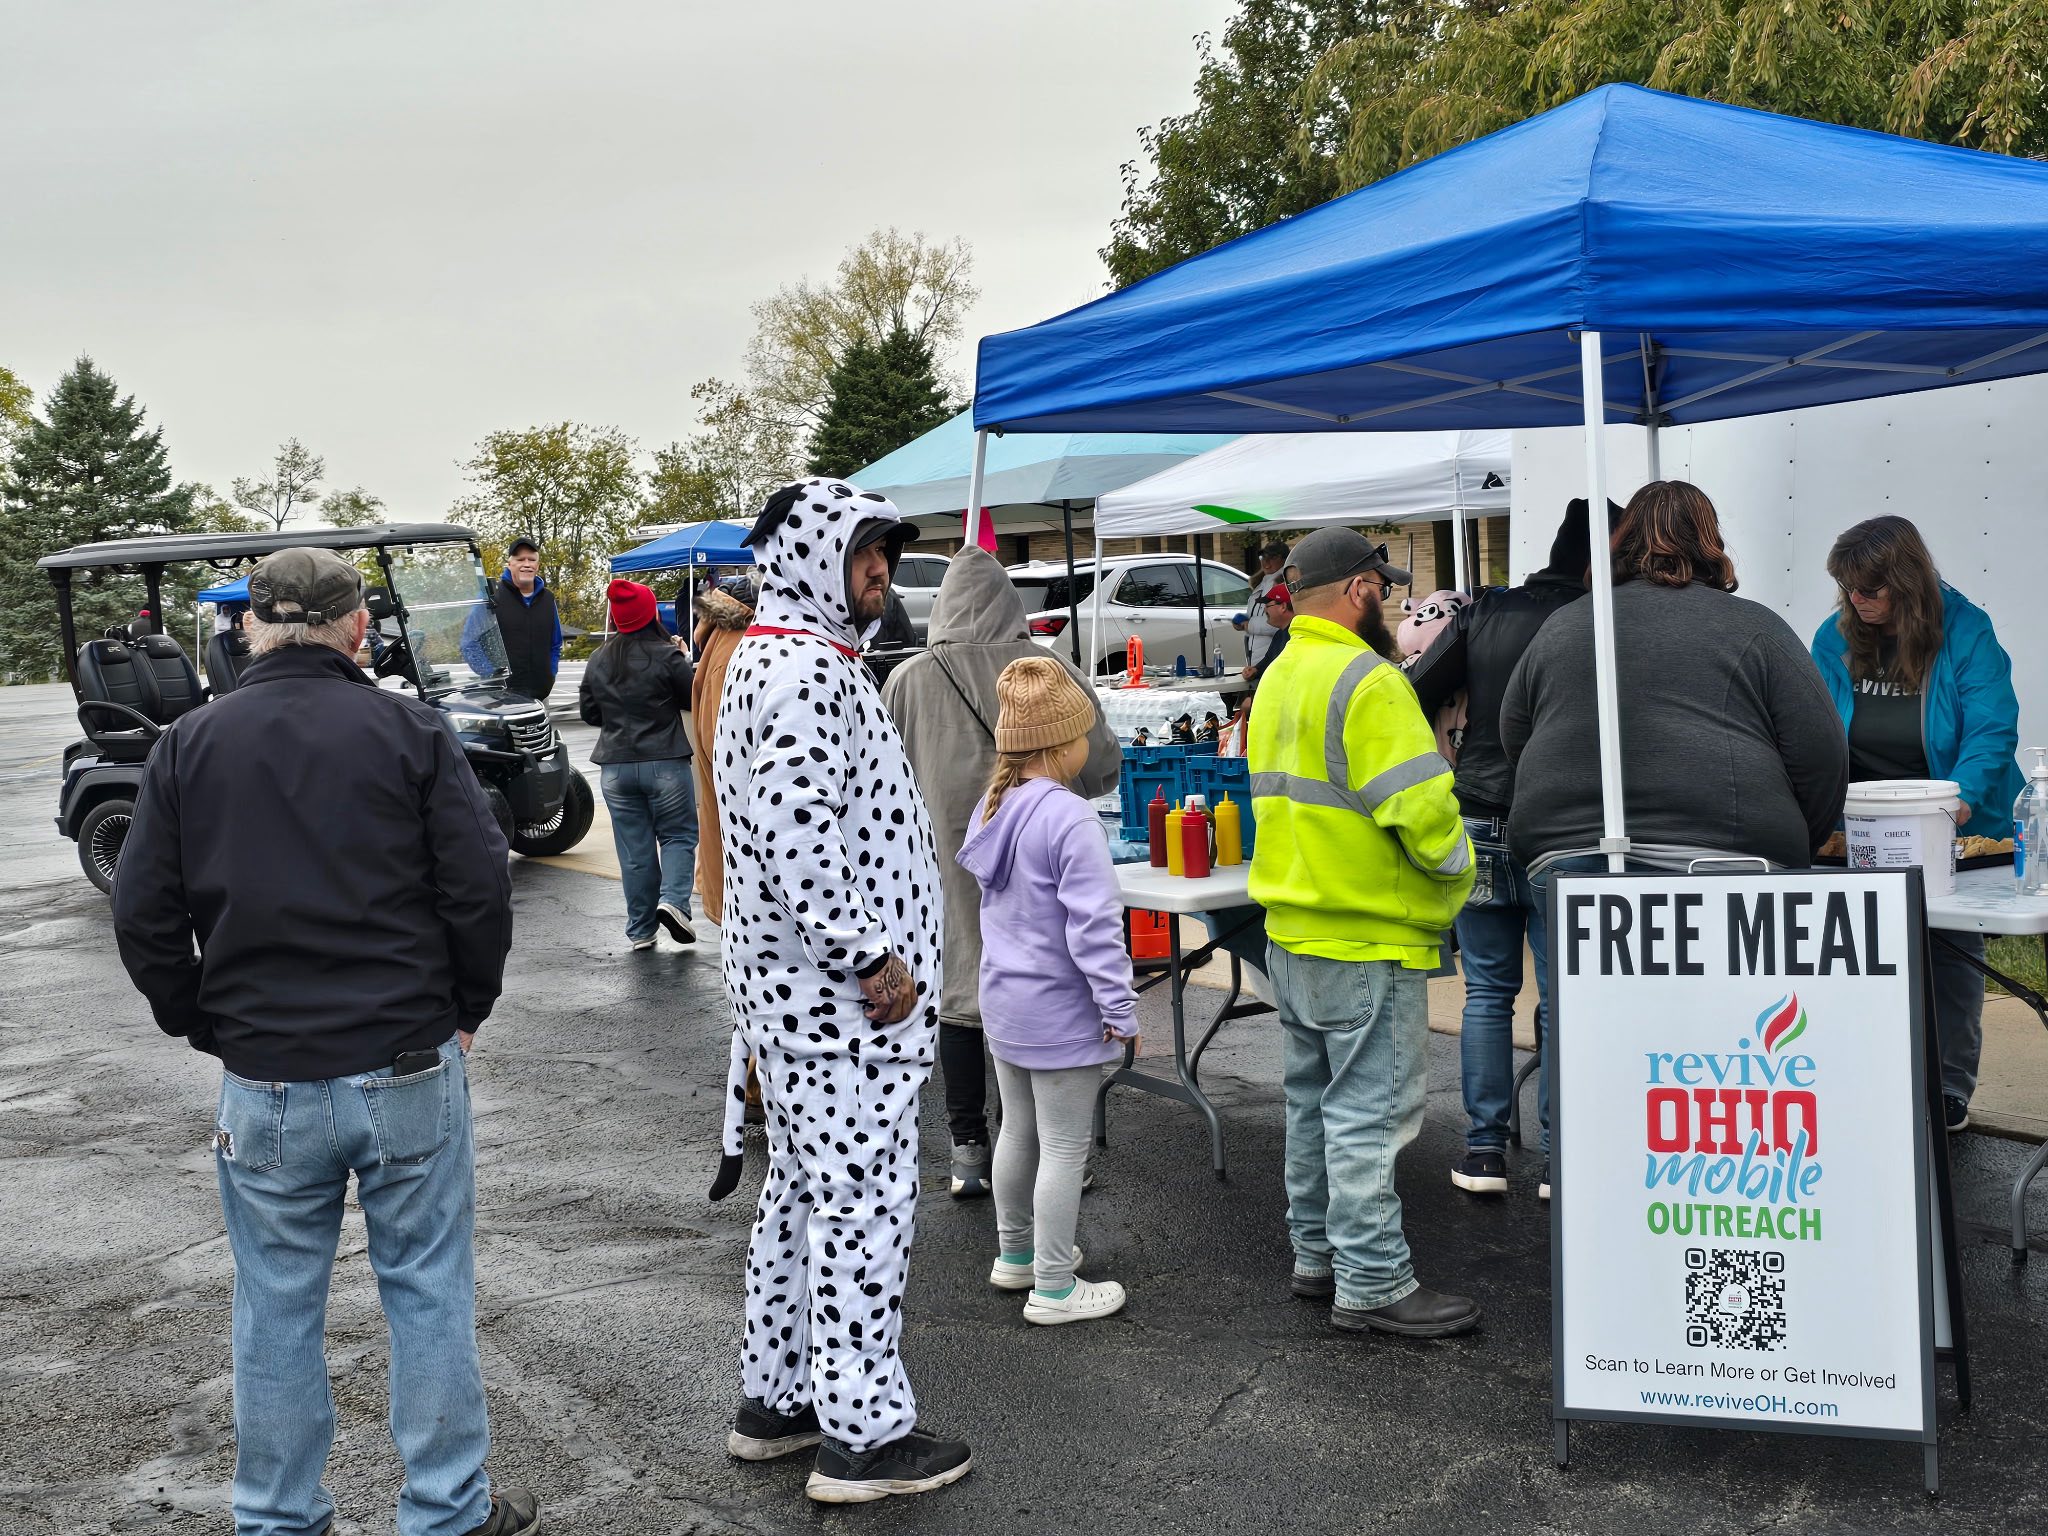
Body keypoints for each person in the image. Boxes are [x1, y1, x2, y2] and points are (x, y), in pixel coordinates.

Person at [109, 549, 535, 1536]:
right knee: (427, 1288)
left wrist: (207, 1022)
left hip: (268, 1076)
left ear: (251, 627)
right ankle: (444, 1512)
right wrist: (464, 1007)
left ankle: (278, 1516)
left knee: (275, 1302)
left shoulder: (189, 744)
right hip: (404, 1060)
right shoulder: (407, 729)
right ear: (356, 629)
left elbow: (143, 915)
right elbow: (477, 888)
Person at [707, 478, 970, 1504]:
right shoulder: (801, 674)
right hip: (842, 1012)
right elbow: (792, 830)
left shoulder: (788, 661)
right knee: (861, 1212)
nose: (879, 572)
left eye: (884, 552)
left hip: (805, 1009)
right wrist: (871, 955)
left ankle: (776, 1402)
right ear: (813, 558)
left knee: (804, 1199)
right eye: (862, 552)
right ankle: (862, 1434)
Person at [1248, 527, 1481, 1338]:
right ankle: (1374, 1281)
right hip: (1366, 936)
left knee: (1313, 1107)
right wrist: (1461, 869)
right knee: (1369, 1118)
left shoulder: (1280, 675)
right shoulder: (1369, 680)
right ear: (1359, 590)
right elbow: (1421, 809)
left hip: (1295, 930)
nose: (1387, 599)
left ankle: (1318, 1256)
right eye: (1380, 585)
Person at [883, 549, 1119, 1198]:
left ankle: (967, 1152)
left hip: (946, 857)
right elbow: (1101, 770)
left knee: (960, 993)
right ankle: (1050, 1149)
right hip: (1042, 858)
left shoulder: (908, 679)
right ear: (1011, 600)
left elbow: (883, 785)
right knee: (1040, 990)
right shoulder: (1054, 670)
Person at [1501, 481, 1848, 876]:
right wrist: (1795, 838)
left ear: (1622, 538)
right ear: (1710, 539)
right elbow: (1821, 752)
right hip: (1725, 856)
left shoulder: (1562, 625)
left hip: (1565, 851)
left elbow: (1514, 732)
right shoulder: (1756, 626)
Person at [1810, 515, 2024, 1132]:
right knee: (1859, 950)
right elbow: (1816, 726)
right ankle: (1871, 1073)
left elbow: (1991, 728)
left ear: (1907, 584)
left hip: (1949, 821)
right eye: (1848, 589)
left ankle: (1949, 1087)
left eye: (1871, 590)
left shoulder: (1966, 631)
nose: (1857, 601)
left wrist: (1956, 802)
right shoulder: (1835, 637)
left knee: (1950, 951)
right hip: (1862, 823)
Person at [1409, 501, 1597, 1201]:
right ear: (1597, 559)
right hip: (1565, 825)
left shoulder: (1487, 610)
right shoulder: (1593, 618)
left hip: (1480, 812)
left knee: (1486, 992)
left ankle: (1483, 1152)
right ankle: (1559, 1158)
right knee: (1563, 996)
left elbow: (1414, 688)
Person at [958, 656, 1139, 1325]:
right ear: (1063, 742)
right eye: (1085, 731)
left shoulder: (992, 806)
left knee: (1018, 1133)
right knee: (1065, 1147)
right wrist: (1120, 1010)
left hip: (1004, 1001)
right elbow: (1096, 931)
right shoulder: (1070, 818)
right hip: (1061, 1009)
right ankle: (1057, 1287)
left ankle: (1017, 1257)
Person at [580, 578, 698, 951]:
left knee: (634, 850)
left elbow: (588, 712)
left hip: (614, 766)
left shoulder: (598, 658)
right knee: (678, 836)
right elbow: (691, 699)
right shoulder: (666, 656)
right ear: (650, 614)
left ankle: (641, 931)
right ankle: (674, 902)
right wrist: (681, 657)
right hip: (665, 761)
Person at [690, 574, 756, 929]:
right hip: (744, 859)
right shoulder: (737, 648)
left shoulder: (722, 643)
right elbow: (731, 761)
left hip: (733, 848)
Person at [471, 535, 561, 701]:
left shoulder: (548, 599)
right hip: (500, 701)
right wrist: (492, 676)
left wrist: (551, 673)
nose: (526, 564)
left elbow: (555, 644)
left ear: (537, 565)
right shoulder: (491, 597)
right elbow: (470, 643)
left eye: (531, 559)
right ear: (510, 564)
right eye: (520, 559)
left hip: (540, 698)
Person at [1231, 539, 1290, 665]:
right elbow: (1258, 616)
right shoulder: (1261, 583)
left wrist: (1249, 624)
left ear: (1284, 559)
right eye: (1263, 556)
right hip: (1255, 654)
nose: (1266, 561)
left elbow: (1283, 621)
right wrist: (1242, 623)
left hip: (1273, 655)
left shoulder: (1283, 583)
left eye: (1272, 557)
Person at [1240, 583, 1293, 686]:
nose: (1264, 610)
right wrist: (1255, 670)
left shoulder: (1297, 636)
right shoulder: (1280, 634)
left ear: (1283, 607)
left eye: (1268, 605)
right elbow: (1269, 660)